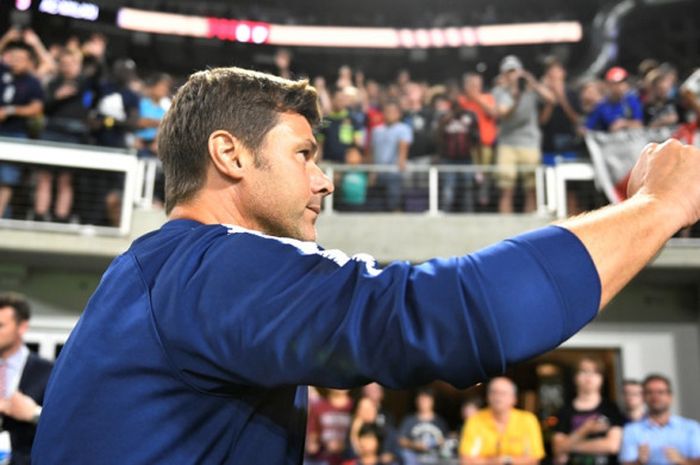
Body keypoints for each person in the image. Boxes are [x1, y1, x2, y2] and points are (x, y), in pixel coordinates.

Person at [32, 67, 700, 465]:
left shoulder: (157, 272)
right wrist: (659, 204)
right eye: (304, 154)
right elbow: (448, 316)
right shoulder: (212, 267)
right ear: (231, 156)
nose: (323, 182)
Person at [493, 55, 555, 213]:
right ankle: (505, 229)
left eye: (514, 71)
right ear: (503, 74)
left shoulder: (531, 88)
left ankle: (529, 229)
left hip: (530, 143)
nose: (511, 75)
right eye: (508, 72)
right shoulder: (499, 91)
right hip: (508, 144)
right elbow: (504, 113)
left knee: (531, 190)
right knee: (506, 190)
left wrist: (532, 82)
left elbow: (551, 100)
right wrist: (515, 99)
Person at [0, 293, 53, 465]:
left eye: (0, 325)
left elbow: (66, 425)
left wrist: (34, 414)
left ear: (22, 327)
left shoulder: (48, 371)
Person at [552, 357, 626, 465]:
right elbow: (557, 448)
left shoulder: (611, 408)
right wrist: (586, 429)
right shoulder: (564, 411)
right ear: (575, 377)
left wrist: (569, 446)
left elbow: (612, 446)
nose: (589, 377)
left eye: (594, 372)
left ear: (601, 378)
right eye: (584, 371)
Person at [0, 39, 44, 219]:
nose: (15, 61)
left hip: (15, 134)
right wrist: (9, 38)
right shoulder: (3, 75)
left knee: (7, 180)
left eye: (21, 58)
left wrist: (10, 110)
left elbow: (36, 108)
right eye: (13, 57)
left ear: (29, 62)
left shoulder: (32, 82)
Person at [459, 377, 544, 465]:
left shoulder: (528, 420)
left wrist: (505, 460)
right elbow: (466, 460)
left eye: (503, 393)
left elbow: (534, 459)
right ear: (487, 397)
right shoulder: (475, 420)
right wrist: (497, 461)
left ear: (514, 399)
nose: (498, 397)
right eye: (494, 392)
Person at [620, 375, 700, 465]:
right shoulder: (631, 430)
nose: (655, 396)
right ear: (643, 397)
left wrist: (682, 461)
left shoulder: (691, 428)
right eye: (650, 392)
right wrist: (639, 461)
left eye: (660, 392)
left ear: (670, 397)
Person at [369, 100, 412, 211]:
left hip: (394, 172)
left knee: (394, 202)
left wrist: (401, 162)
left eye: (393, 112)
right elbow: (373, 151)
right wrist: (372, 171)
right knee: (377, 205)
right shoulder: (376, 130)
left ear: (398, 114)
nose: (389, 114)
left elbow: (403, 147)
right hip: (379, 172)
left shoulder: (403, 129)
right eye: (387, 111)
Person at [398, 388, 449, 465]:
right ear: (416, 401)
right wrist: (414, 445)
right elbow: (401, 440)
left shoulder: (440, 421)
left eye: (426, 400)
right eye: (421, 400)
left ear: (432, 401)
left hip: (436, 459)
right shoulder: (409, 420)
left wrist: (440, 442)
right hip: (414, 458)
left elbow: (447, 439)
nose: (423, 403)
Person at [586, 67, 643, 133]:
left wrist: (623, 124)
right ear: (609, 85)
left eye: (623, 82)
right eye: (617, 83)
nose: (621, 86)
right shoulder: (602, 106)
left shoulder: (632, 100)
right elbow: (589, 128)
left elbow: (639, 124)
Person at [306, 389, 354, 465]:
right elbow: (313, 433)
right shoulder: (319, 406)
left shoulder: (355, 406)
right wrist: (314, 445)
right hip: (323, 457)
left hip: (349, 457)